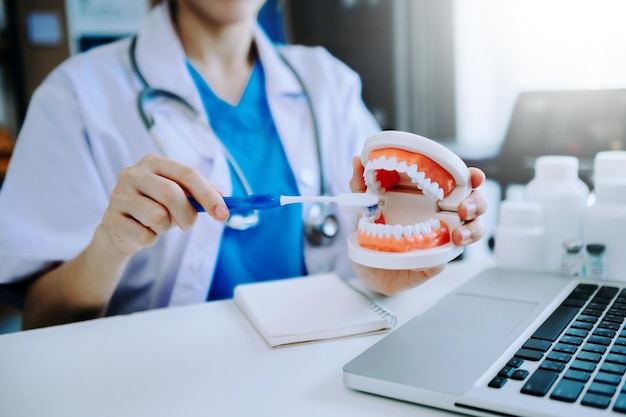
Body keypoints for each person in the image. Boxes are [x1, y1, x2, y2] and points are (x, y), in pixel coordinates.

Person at [0, 0, 487, 330]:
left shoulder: (327, 82)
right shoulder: (76, 96)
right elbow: (41, 322)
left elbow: (363, 248)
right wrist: (110, 246)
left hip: (311, 370)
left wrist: (382, 275)